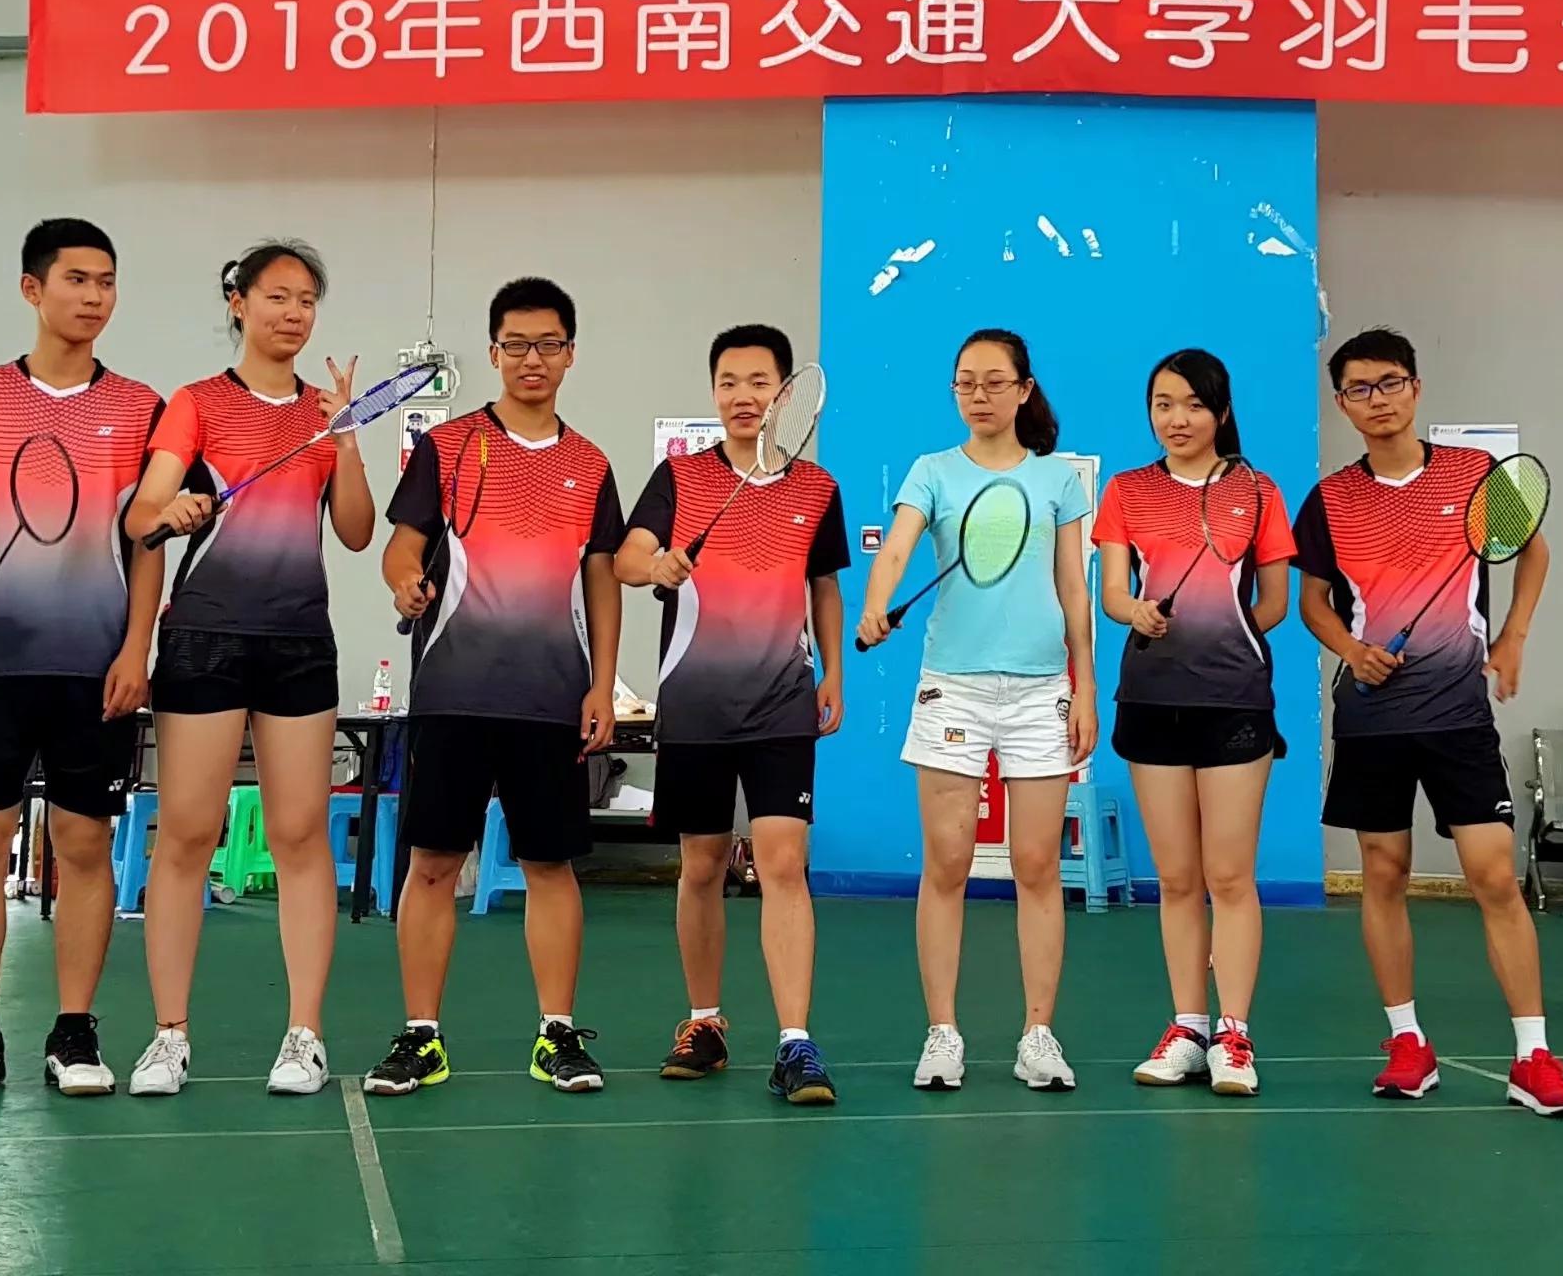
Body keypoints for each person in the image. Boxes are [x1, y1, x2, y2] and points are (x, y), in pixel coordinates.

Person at [1293, 327, 1563, 1117]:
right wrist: (1351, 650)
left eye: (1390, 382)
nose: (1377, 400)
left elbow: (1533, 553)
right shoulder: (1329, 500)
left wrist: (1513, 636)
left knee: (1491, 874)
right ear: (1341, 403)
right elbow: (1312, 602)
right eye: (1359, 388)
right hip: (1370, 718)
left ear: (1415, 388)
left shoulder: (1473, 474)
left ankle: (1532, 1056)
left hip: (1458, 714)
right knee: (1383, 874)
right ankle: (1407, 1043)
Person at [0, 219, 167, 1101]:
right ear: (33, 289)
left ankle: (75, 1030)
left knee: (83, 842)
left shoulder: (140, 407)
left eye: (107, 281)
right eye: (76, 279)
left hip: (94, 667)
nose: (94, 297)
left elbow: (145, 543)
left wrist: (135, 647)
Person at [116, 241, 378, 1098]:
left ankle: (304, 1035)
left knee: (300, 835)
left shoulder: (323, 418)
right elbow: (141, 515)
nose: (293, 313)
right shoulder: (195, 404)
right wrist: (175, 507)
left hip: (298, 642)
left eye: (306, 300)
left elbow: (356, 532)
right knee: (187, 833)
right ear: (238, 302)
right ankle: (168, 1035)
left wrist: (345, 438)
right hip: (205, 639)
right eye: (277, 296)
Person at [368, 277, 624, 1098]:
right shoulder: (447, 447)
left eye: (548, 344)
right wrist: (404, 581)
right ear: (492, 353)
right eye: (515, 344)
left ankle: (557, 1036)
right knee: (433, 864)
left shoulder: (591, 465)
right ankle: (421, 1037)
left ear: (570, 354)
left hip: (551, 699)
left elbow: (602, 581)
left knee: (550, 865)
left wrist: (604, 685)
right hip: (453, 693)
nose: (531, 358)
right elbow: (402, 546)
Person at [856, 328, 1097, 1094]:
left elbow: (1072, 589)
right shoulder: (931, 471)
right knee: (947, 863)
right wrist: (874, 603)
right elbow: (896, 548)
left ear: (1023, 390)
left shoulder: (1057, 479)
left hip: (1039, 691)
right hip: (952, 689)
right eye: (966, 382)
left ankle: (1037, 1036)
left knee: (1037, 867)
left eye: (995, 382)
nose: (979, 395)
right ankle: (942, 1034)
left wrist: (1084, 688)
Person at [615, 323, 849, 1106]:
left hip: (782, 701)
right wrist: (657, 563)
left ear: (783, 393)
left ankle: (795, 1043)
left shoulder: (816, 488)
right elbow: (625, 558)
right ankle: (704, 1023)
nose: (742, 396)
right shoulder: (679, 478)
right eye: (728, 382)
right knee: (702, 865)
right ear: (713, 392)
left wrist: (833, 672)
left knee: (782, 863)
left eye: (758, 382)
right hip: (696, 705)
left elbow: (823, 584)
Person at [1097, 349, 1292, 1098]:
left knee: (1229, 875)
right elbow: (1115, 594)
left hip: (1235, 702)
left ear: (1221, 411)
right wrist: (1137, 612)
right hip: (1150, 699)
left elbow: (1273, 603)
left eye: (1193, 405)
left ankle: (1234, 1035)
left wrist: (1224, 640)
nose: (1176, 419)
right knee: (1177, 878)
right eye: (1162, 404)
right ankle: (1187, 1027)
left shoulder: (1258, 491)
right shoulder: (1127, 490)